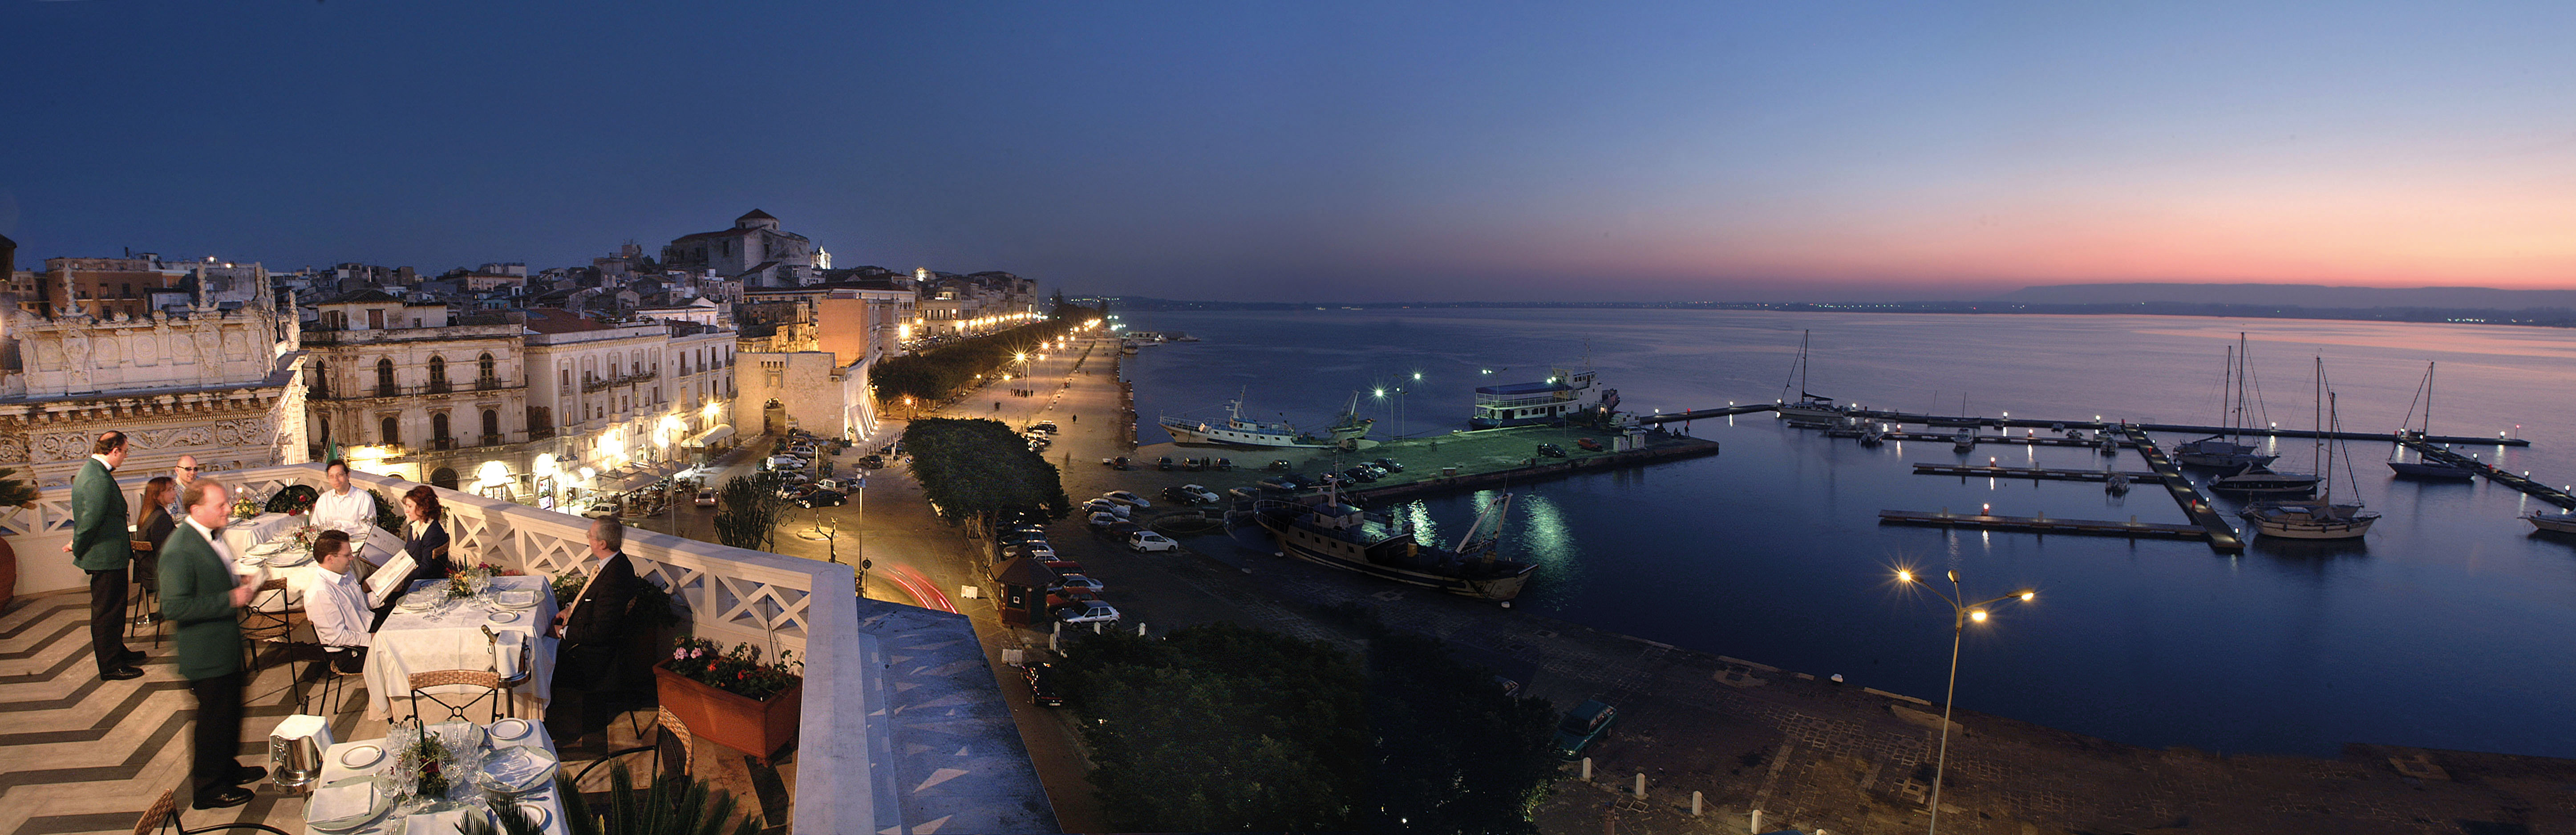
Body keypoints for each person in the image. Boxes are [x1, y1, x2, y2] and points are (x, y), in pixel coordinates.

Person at [160, 478, 265, 809]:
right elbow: (173, 607)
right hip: (205, 651)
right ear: (196, 509)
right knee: (214, 719)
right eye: (220, 505)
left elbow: (211, 580)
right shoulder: (179, 549)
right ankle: (208, 788)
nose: (228, 509)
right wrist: (230, 598)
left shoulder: (210, 538)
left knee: (231, 711)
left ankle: (226, 767)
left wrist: (239, 584)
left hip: (224, 644)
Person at [71, 431, 142, 681]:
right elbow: (90, 521)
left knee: (115, 608)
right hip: (106, 556)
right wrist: (78, 547)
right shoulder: (97, 478)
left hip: (110, 555)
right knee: (107, 612)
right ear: (115, 451)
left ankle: (117, 651)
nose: (125, 456)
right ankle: (111, 665)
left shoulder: (95, 472)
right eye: (125, 451)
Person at [552, 517, 640, 685]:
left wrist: (563, 632)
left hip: (592, 661)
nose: (588, 538)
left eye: (590, 536)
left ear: (602, 544)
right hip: (589, 644)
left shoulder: (614, 578)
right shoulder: (615, 563)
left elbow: (600, 632)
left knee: (537, 658)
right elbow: (595, 601)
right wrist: (571, 609)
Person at [368, 486, 453, 630]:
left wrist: (398, 578)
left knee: (374, 600)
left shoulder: (433, 532)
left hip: (422, 586)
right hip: (409, 580)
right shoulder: (416, 527)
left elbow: (426, 568)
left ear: (423, 507)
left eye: (410, 506)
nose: (406, 511)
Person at [303, 531, 370, 674]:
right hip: (351, 652)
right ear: (331, 559)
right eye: (347, 555)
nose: (352, 558)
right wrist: (373, 638)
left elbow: (360, 605)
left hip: (365, 629)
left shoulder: (344, 573)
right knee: (400, 650)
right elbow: (337, 637)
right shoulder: (321, 593)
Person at [130, 476, 181, 623]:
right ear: (157, 495)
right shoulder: (161, 518)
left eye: (174, 489)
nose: (174, 493)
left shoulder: (149, 515)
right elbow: (167, 551)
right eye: (169, 490)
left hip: (147, 572)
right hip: (159, 574)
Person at [311, 460, 377, 531]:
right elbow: (315, 526)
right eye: (332, 477)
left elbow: (369, 529)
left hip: (355, 541)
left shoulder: (363, 498)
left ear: (348, 475)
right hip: (330, 541)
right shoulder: (324, 500)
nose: (336, 480)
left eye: (340, 475)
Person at [167, 454, 199, 519]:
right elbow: (172, 517)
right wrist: (197, 517)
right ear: (177, 470)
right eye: (188, 469)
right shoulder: (170, 489)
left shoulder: (205, 485)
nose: (193, 473)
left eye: (196, 469)